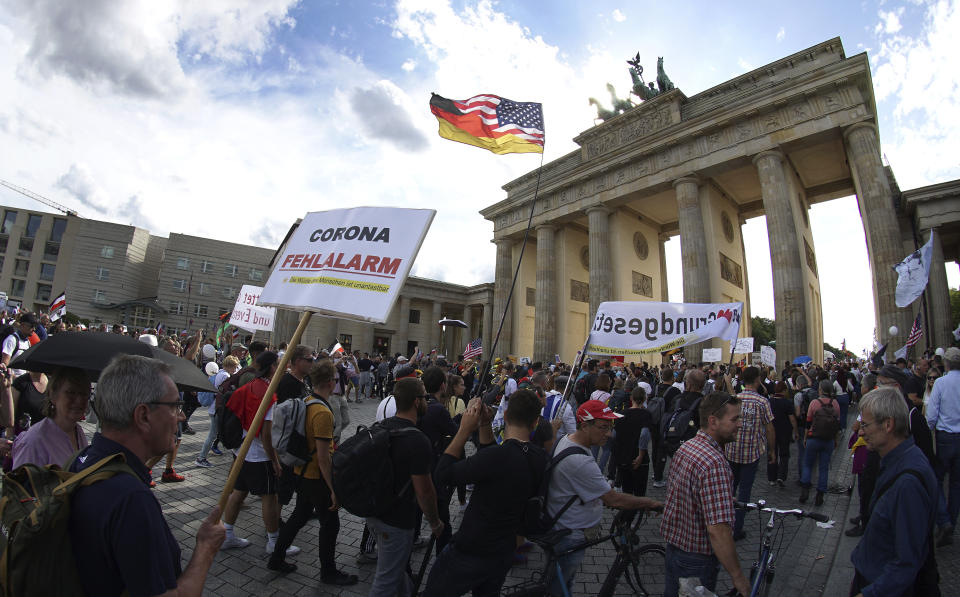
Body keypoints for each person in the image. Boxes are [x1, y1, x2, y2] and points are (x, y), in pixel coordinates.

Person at [68, 355, 224, 596]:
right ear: (143, 416)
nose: (181, 417)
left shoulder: (82, 460)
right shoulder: (131, 499)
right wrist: (205, 549)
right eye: (174, 406)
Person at [422, 391, 546, 596]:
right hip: (503, 551)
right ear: (536, 422)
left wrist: (463, 430)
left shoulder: (496, 457)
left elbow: (442, 475)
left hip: (471, 549)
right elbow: (492, 461)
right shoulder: (539, 457)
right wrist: (484, 425)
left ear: (505, 416)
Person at [546, 399, 663, 596]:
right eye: (602, 427)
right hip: (570, 534)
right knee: (558, 589)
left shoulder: (566, 439)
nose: (608, 434)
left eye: (610, 427)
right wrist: (648, 502)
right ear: (584, 425)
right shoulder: (580, 460)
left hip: (563, 527)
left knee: (565, 584)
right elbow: (614, 500)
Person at [269, 358, 357, 585]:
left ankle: (277, 558)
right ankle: (328, 572)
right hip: (316, 477)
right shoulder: (323, 413)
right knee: (330, 523)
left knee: (299, 516)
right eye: (336, 380)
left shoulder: (306, 401)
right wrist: (332, 489)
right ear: (330, 382)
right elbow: (323, 457)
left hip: (300, 472)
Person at [850, 387, 938, 596]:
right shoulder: (900, 460)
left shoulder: (908, 483)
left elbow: (906, 561)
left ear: (888, 424)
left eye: (865, 425)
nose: (860, 432)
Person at [661, 392, 750, 597]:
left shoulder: (688, 447)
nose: (740, 424)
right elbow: (718, 530)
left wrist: (721, 499)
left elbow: (684, 494)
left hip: (675, 549)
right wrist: (737, 576)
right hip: (697, 558)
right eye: (735, 419)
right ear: (713, 421)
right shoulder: (714, 463)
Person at [367, 376, 443, 597]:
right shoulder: (417, 441)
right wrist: (435, 522)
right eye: (425, 398)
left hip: (375, 511)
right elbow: (425, 491)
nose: (428, 401)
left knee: (395, 569)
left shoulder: (380, 427)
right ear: (416, 402)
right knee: (386, 580)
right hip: (396, 520)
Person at [219, 352, 299, 557]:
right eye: (279, 365)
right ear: (273, 367)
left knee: (239, 492)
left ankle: (227, 534)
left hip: (242, 450)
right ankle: (273, 542)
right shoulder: (268, 392)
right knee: (270, 497)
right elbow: (265, 434)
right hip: (258, 454)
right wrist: (275, 460)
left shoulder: (250, 385)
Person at [724, 366, 775, 540]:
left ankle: (724, 524)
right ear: (757, 380)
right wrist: (772, 450)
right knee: (744, 492)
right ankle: (737, 529)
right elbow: (769, 429)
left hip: (732, 451)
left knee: (729, 489)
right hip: (751, 453)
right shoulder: (762, 402)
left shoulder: (735, 399)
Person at [12, 368, 90, 468]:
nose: (79, 400)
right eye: (71, 393)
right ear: (53, 395)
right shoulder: (34, 441)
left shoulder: (78, 432)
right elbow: (22, 481)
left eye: (84, 394)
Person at [926, 346, 960, 547]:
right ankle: (951, 524)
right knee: (956, 485)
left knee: (936, 480)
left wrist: (927, 433)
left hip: (945, 436)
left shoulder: (940, 383)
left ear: (945, 363)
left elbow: (932, 413)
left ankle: (944, 521)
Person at [800, 380, 840, 506]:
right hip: (828, 439)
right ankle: (820, 494)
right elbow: (837, 425)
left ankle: (805, 489)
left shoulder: (814, 403)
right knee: (824, 468)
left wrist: (805, 437)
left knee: (808, 465)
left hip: (813, 437)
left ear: (820, 390)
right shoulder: (835, 404)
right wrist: (835, 439)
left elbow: (808, 422)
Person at [766, 381, 798, 487]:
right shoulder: (787, 402)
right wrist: (795, 431)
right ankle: (781, 476)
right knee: (784, 455)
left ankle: (772, 478)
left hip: (772, 432)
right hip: (785, 432)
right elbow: (792, 419)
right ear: (784, 391)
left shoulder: (769, 402)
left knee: (772, 452)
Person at [2, 313, 36, 378]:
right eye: (31, 326)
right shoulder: (12, 340)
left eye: (35, 326)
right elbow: (4, 365)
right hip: (12, 382)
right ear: (22, 325)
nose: (34, 329)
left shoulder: (27, 342)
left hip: (21, 382)